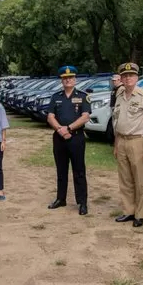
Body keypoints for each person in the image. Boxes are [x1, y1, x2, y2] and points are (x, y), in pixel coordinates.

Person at [112, 62, 143, 227]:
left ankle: (140, 213)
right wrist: (116, 145)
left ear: (137, 77)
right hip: (122, 140)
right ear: (121, 78)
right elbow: (118, 122)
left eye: (131, 75)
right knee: (125, 179)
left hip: (138, 140)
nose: (128, 78)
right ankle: (128, 211)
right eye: (125, 76)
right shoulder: (119, 95)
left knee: (139, 179)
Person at [47, 65, 91, 216]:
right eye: (65, 78)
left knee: (79, 171)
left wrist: (69, 129)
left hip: (76, 137)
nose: (68, 80)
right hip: (59, 138)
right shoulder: (56, 96)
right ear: (61, 80)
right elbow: (50, 116)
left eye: (70, 78)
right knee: (61, 170)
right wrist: (60, 129)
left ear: (75, 79)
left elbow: (85, 116)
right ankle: (61, 199)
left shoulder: (83, 96)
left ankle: (82, 202)